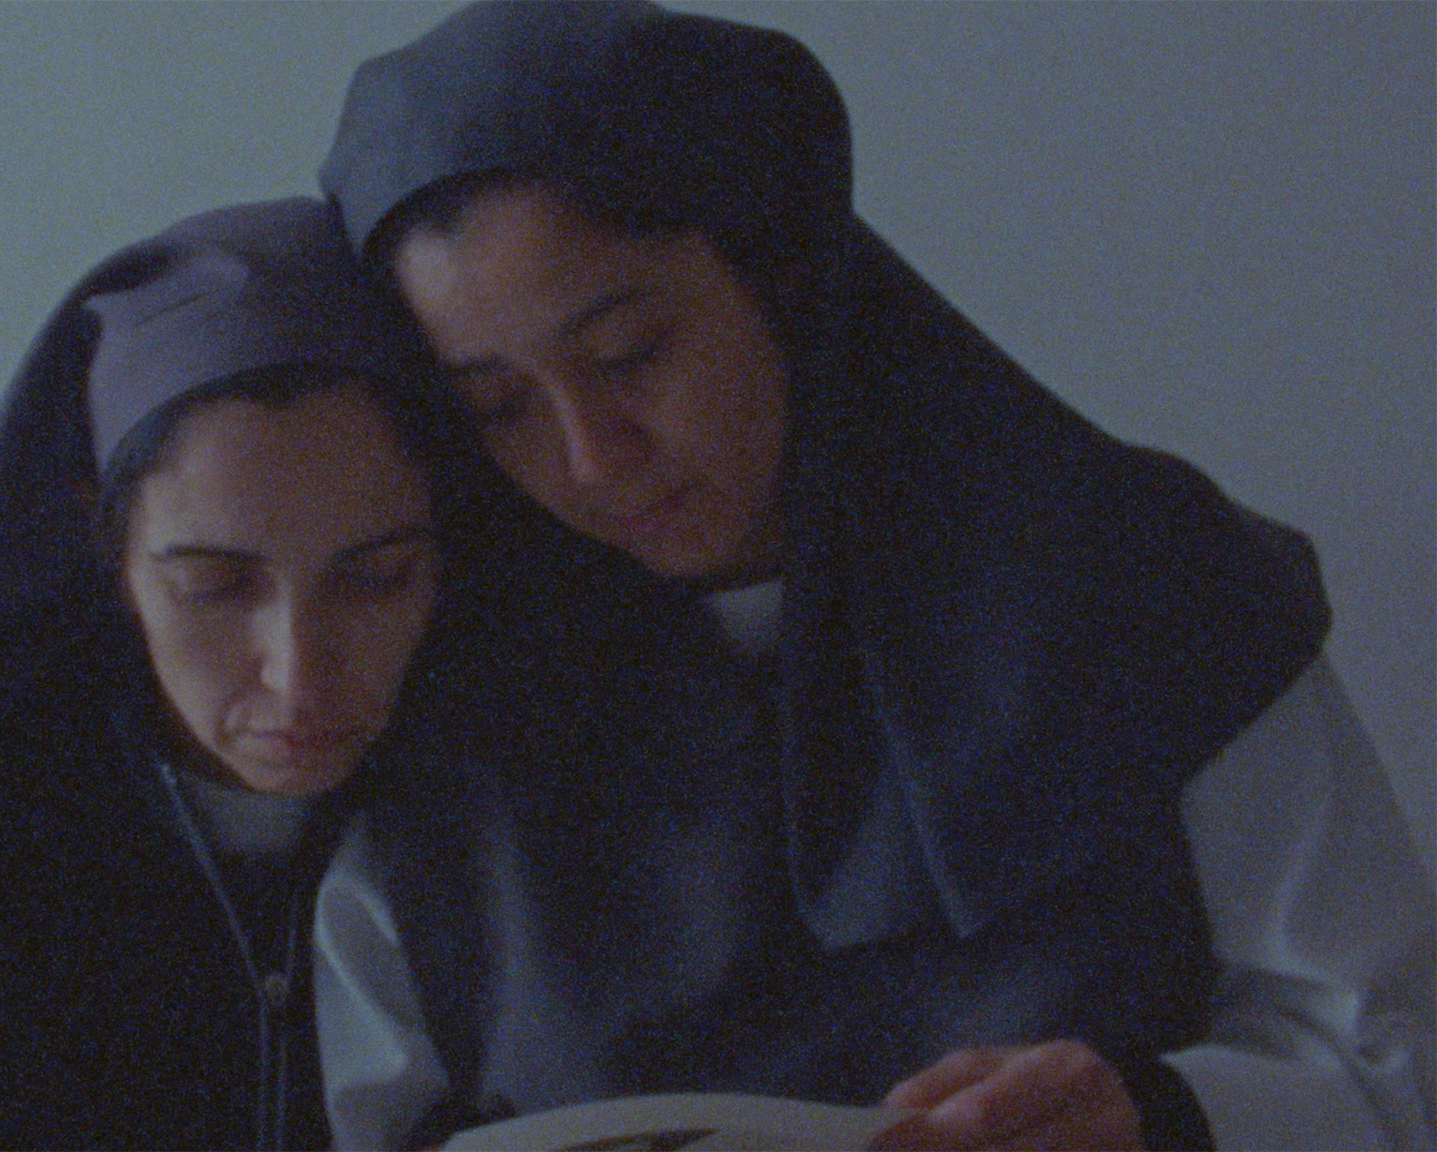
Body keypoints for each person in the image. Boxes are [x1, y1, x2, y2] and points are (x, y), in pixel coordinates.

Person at [312, 3, 1436, 1150]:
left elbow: (1391, 1065)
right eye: (497, 406)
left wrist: (1155, 1115)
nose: (591, 457)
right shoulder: (430, 676)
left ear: (779, 271)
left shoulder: (1146, 583)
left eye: (625, 354)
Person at [0, 197, 496, 1149]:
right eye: (213, 586)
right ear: (106, 546)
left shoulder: (540, 795)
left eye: (377, 578)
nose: (299, 679)